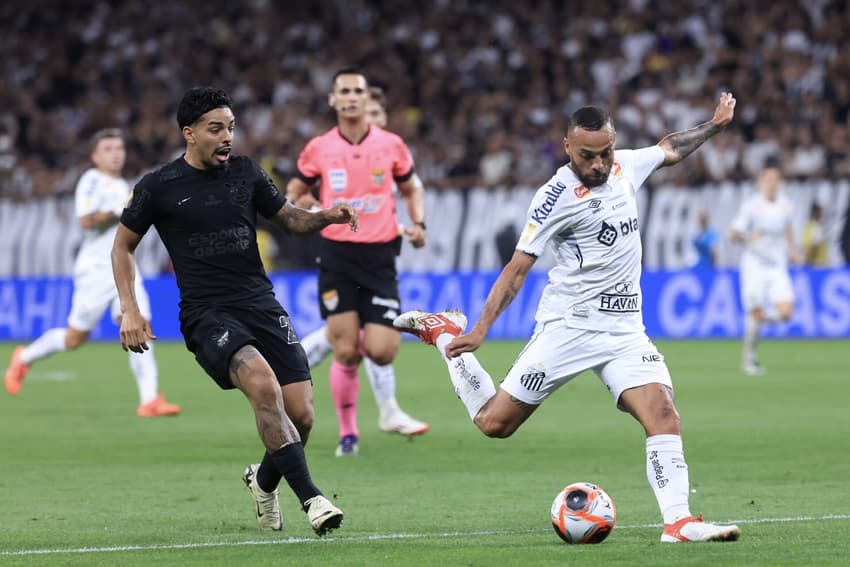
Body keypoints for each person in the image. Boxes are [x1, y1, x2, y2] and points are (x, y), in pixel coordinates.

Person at [394, 93, 742, 543]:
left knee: (663, 414)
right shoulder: (554, 198)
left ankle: (678, 521)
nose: (598, 165)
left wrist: (714, 125)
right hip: (569, 328)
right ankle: (445, 337)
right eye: (587, 156)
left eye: (605, 153)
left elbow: (669, 148)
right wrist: (479, 329)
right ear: (566, 148)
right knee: (494, 424)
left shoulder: (624, 167)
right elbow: (517, 269)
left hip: (625, 332)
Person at [112, 86, 356, 535]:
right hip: (207, 314)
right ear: (189, 133)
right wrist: (129, 309)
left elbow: (288, 218)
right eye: (215, 128)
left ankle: (263, 483)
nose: (227, 137)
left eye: (231, 128)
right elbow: (122, 245)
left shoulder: (246, 173)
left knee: (301, 414)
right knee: (264, 387)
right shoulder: (159, 186)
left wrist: (325, 216)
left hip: (259, 303)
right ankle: (313, 499)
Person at [286, 69, 427, 457]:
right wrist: (321, 210)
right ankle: (348, 434)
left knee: (382, 350)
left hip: (380, 256)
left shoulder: (391, 145)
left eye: (357, 91)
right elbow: (295, 191)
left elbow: (412, 187)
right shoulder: (319, 148)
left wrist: (418, 224)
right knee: (346, 350)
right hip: (336, 255)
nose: (350, 97)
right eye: (343, 91)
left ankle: (382, 407)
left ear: (368, 100)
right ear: (333, 99)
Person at [4, 129, 180, 418]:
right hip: (97, 270)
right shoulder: (91, 181)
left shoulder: (125, 185)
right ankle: (23, 357)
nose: (115, 153)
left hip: (124, 267)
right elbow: (86, 221)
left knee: (142, 326)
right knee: (75, 338)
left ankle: (149, 400)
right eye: (108, 149)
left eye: (119, 148)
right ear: (95, 156)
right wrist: (117, 210)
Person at [729, 166, 799, 376]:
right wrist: (748, 237)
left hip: (777, 265)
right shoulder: (752, 206)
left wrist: (793, 250)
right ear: (760, 182)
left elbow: (787, 229)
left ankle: (758, 317)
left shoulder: (786, 205)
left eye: (776, 179)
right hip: (754, 266)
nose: (773, 183)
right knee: (756, 310)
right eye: (768, 179)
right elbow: (733, 234)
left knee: (786, 314)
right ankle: (749, 358)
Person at [801, 202, 828, 266]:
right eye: (820, 211)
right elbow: (814, 246)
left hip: (812, 263)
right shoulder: (817, 228)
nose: (821, 214)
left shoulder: (808, 226)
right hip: (817, 264)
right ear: (815, 212)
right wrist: (808, 262)